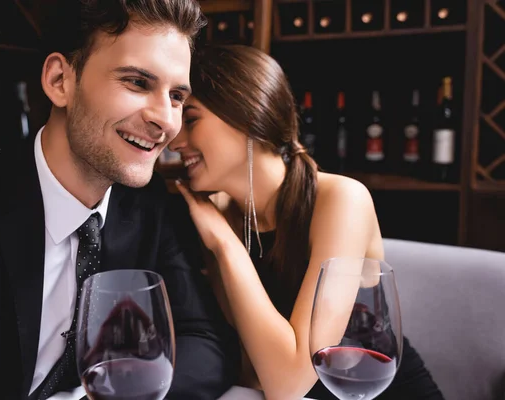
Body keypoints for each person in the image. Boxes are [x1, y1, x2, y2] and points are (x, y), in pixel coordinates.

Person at [0, 2, 240, 399]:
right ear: (60, 80)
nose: (167, 121)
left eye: (177, 96)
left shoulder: (149, 207)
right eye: (136, 82)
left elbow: (204, 344)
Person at [169, 44, 445, 400]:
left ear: (249, 116)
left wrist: (225, 245)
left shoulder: (342, 200)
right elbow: (252, 365)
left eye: (191, 119)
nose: (176, 141)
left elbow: (289, 384)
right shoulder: (217, 215)